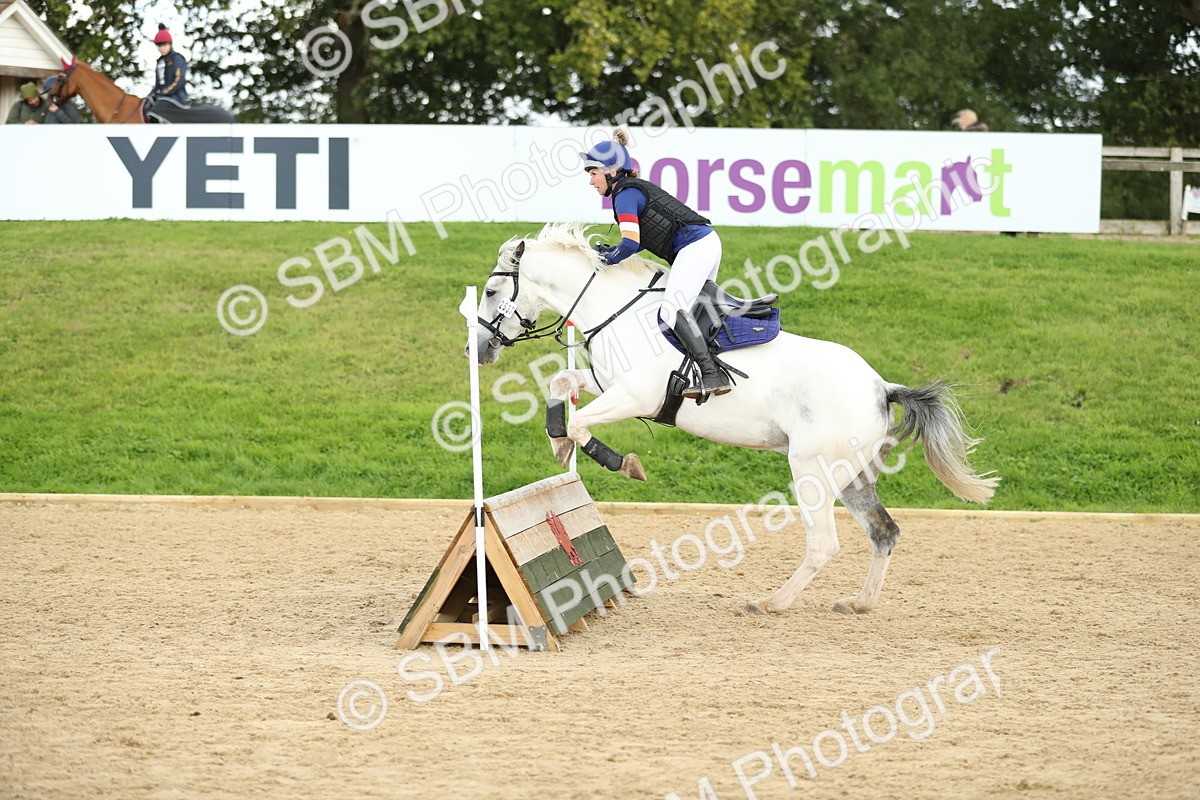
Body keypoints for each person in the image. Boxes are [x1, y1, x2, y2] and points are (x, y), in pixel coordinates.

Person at [582, 128, 730, 399]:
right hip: (704, 243)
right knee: (694, 309)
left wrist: (608, 258)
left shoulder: (624, 195)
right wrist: (613, 251)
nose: (591, 181)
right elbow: (636, 242)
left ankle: (712, 374)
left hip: (696, 247)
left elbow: (628, 244)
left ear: (612, 172)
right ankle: (709, 368)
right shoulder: (628, 191)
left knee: (672, 311)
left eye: (593, 173)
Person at [151, 24, 188, 104]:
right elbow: (158, 83)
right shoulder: (159, 61)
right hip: (161, 97)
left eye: (164, 45)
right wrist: (151, 95)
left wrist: (164, 92)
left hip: (175, 97)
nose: (161, 48)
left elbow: (178, 80)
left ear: (170, 44)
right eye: (159, 45)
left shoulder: (177, 58)